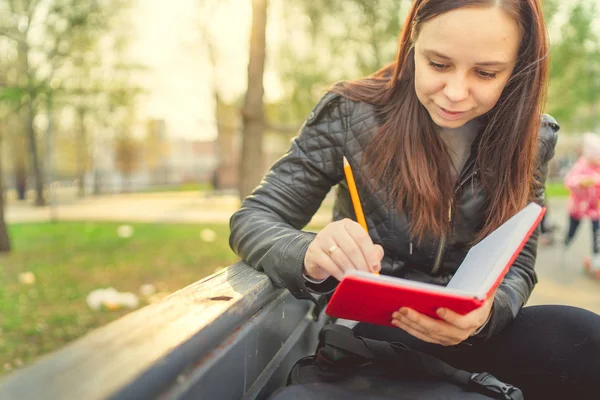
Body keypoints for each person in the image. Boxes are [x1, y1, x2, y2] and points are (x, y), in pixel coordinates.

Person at [229, 1, 599, 399]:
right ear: (412, 44)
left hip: (469, 333)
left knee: (582, 337)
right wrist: (308, 251)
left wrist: (486, 314)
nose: (455, 93)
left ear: (517, 69)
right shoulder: (351, 113)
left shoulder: (532, 137)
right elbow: (254, 217)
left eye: (486, 73)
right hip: (369, 332)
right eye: (438, 64)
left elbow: (520, 265)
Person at [564, 132, 600, 272]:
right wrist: (582, 182)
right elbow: (569, 181)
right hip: (578, 206)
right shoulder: (581, 165)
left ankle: (596, 256)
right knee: (573, 227)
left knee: (597, 231)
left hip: (595, 207)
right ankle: (567, 242)